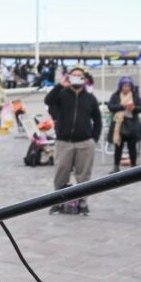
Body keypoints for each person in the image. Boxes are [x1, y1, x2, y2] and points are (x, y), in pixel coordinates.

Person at [44, 67, 102, 215]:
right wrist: (60, 85)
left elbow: (97, 120)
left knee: (84, 175)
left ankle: (83, 203)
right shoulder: (62, 94)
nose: (77, 78)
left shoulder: (90, 98)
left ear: (84, 79)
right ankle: (57, 202)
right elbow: (48, 101)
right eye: (74, 76)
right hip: (64, 142)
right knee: (61, 174)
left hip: (84, 143)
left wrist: (93, 139)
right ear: (69, 77)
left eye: (79, 76)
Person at [107, 76, 141, 173]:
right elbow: (110, 107)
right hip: (118, 125)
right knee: (118, 147)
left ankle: (133, 166)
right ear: (120, 87)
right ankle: (116, 166)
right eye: (124, 86)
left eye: (128, 86)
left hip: (132, 124)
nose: (126, 88)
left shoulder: (135, 96)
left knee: (132, 147)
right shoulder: (115, 96)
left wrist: (134, 108)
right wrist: (121, 106)